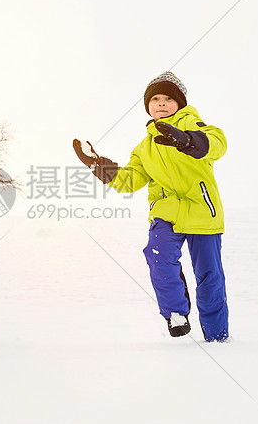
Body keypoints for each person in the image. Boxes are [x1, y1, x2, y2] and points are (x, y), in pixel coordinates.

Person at [73, 72, 229, 341]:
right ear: (148, 106)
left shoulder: (196, 126)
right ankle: (176, 314)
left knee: (209, 276)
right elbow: (129, 180)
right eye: (155, 99)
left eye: (168, 98)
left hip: (203, 211)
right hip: (165, 213)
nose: (161, 103)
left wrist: (186, 140)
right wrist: (96, 164)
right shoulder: (144, 147)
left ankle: (217, 336)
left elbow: (217, 144)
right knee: (157, 256)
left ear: (179, 103)